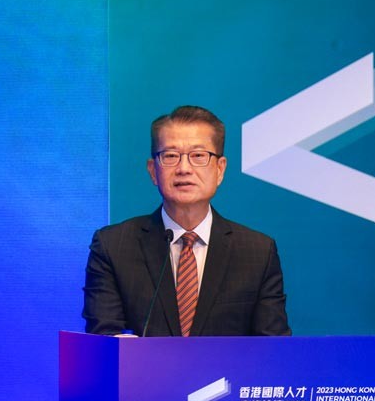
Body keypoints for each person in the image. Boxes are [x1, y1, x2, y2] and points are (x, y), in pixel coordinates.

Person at [82, 105, 291, 336]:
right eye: (170, 156)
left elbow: (273, 348)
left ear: (220, 169)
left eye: (198, 156)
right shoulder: (113, 247)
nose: (184, 168)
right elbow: (103, 339)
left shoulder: (257, 253)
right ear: (153, 171)